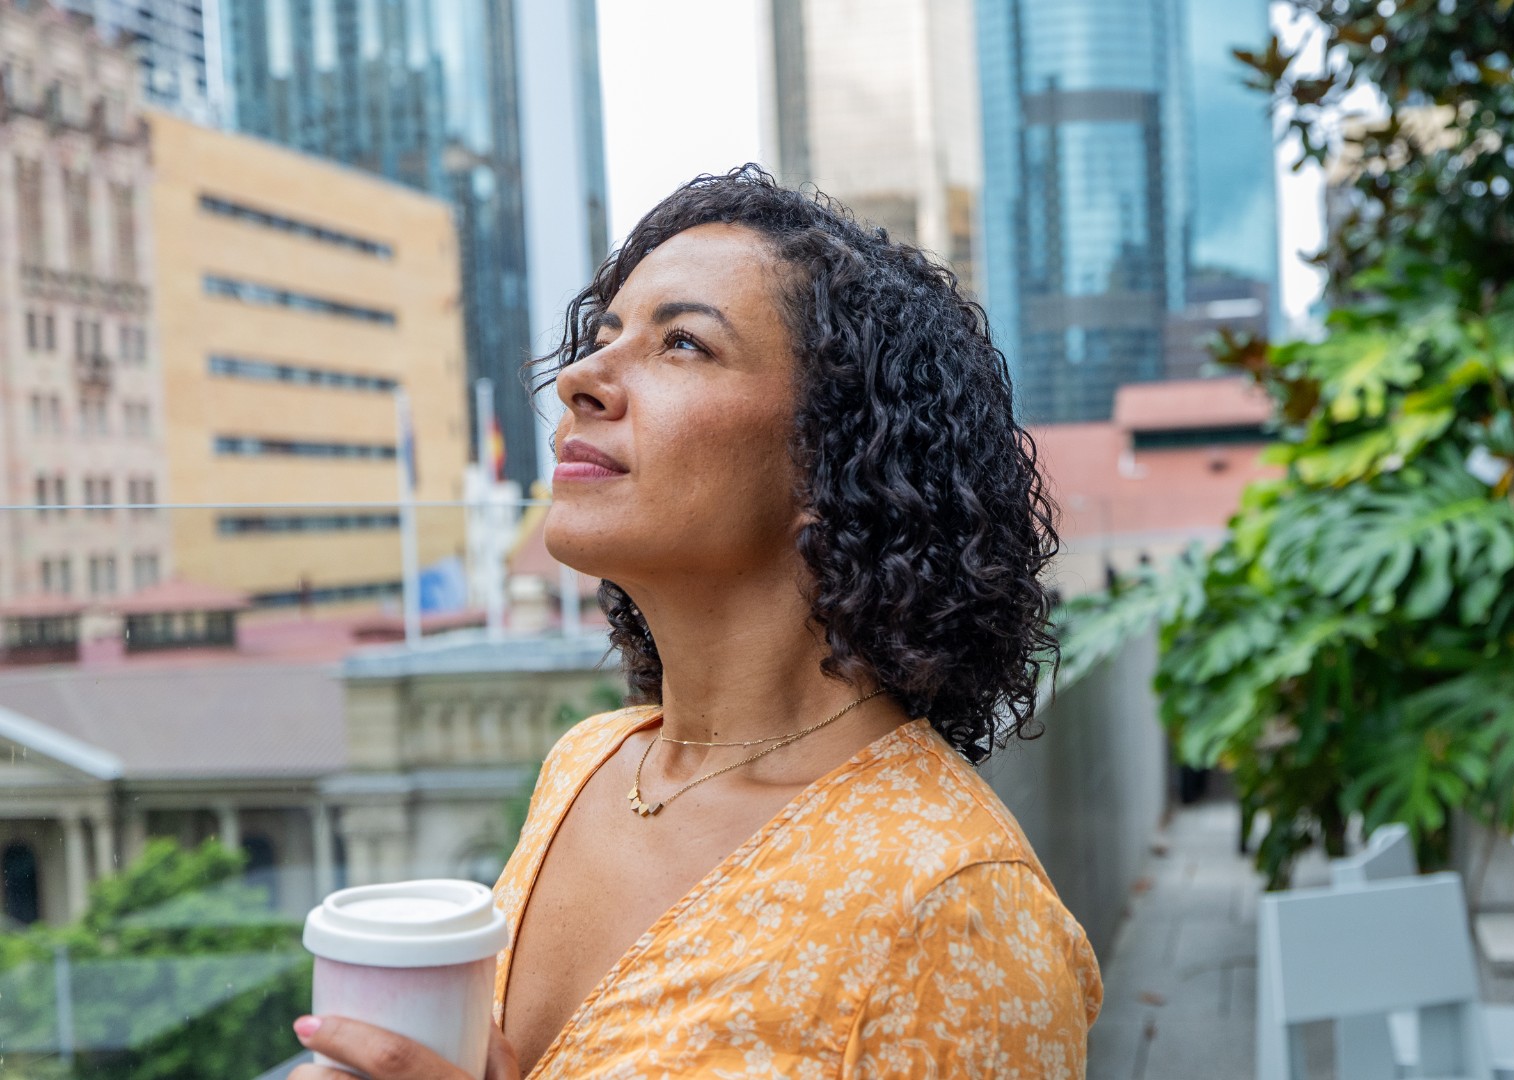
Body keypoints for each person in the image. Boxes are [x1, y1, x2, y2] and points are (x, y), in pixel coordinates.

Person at [289, 167, 1102, 1079]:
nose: (581, 382)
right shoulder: (588, 766)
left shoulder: (955, 913)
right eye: (603, 337)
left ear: (838, 460)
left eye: (681, 343)